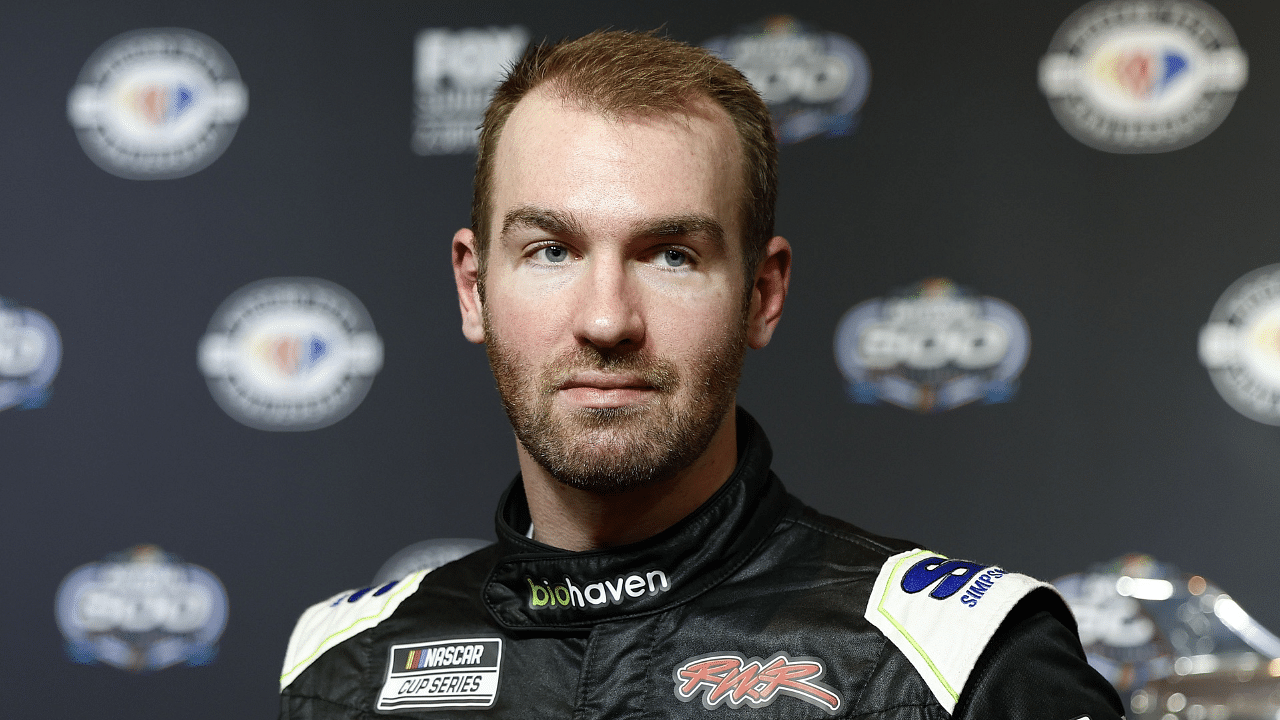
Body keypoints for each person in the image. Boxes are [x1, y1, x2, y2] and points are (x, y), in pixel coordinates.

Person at [279, 30, 1125, 719]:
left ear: (763, 293)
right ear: (474, 288)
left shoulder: (962, 663)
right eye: (551, 251)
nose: (607, 319)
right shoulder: (343, 668)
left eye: (672, 255)